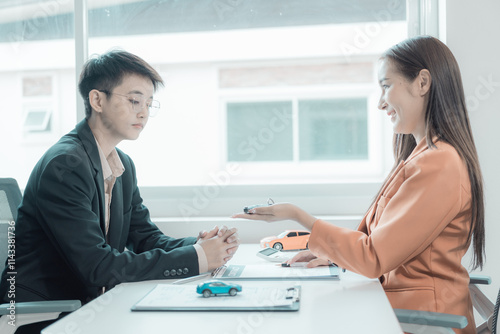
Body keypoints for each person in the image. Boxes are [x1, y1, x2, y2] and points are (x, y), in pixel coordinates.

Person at [232, 35, 484, 334]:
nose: (380, 103)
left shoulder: (439, 163)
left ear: (422, 83)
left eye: (386, 86)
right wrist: (331, 254)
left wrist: (299, 216)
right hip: (405, 312)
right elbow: (378, 246)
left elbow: (373, 257)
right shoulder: (422, 158)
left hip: (424, 322)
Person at [0, 50, 239, 331]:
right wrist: (198, 258)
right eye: (135, 100)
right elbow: (98, 266)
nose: (144, 112)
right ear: (97, 100)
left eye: (149, 104)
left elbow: (145, 238)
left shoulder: (121, 164)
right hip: (44, 314)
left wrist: (198, 246)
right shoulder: (64, 166)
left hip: (90, 305)